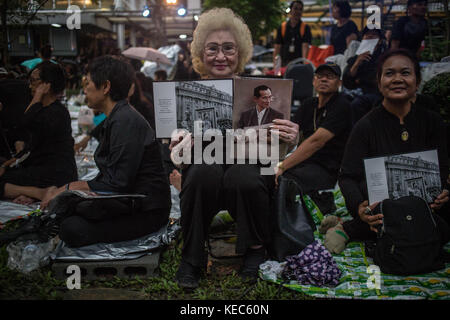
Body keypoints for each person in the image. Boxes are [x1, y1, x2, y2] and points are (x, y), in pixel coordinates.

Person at [170, 8, 299, 289]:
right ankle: (192, 257)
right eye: (212, 49)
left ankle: (255, 250)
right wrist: (177, 148)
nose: (220, 56)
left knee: (244, 176)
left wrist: (290, 138)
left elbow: (278, 148)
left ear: (240, 53)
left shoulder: (260, 92)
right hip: (206, 165)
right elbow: (177, 157)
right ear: (201, 55)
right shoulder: (186, 94)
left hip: (249, 168)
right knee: (202, 174)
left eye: (228, 48)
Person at [1, 56, 171, 248]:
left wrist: (66, 188)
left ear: (105, 87)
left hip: (147, 211)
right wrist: (67, 191)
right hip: (128, 201)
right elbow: (109, 176)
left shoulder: (126, 121)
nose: (84, 88)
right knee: (70, 209)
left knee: (72, 227)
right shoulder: (116, 117)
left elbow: (117, 183)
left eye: (87, 82)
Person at [322, 49, 449, 254]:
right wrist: (359, 208)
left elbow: (443, 165)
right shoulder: (365, 126)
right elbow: (347, 177)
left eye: (405, 73)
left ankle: (348, 225)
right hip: (383, 208)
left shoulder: (432, 121)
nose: (397, 79)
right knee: (383, 216)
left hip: (426, 207)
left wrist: (444, 190)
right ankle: (350, 227)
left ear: (417, 82)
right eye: (389, 73)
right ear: (379, 83)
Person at [0, 61, 77, 204]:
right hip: (45, 169)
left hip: (56, 174)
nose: (30, 86)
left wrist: (37, 96)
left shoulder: (56, 112)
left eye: (34, 81)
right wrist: (6, 165)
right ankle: (33, 193)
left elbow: (24, 124)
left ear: (46, 85)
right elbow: (30, 147)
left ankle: (39, 193)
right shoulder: (46, 110)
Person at [275, 62, 352, 196]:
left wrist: (281, 166)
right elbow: (289, 131)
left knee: (284, 181)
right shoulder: (309, 104)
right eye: (320, 76)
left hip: (328, 169)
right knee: (266, 174)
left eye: (330, 76)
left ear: (339, 83)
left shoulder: (342, 105)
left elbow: (316, 142)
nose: (323, 79)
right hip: (304, 163)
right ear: (313, 81)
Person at [343, 27, 387, 124]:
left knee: (357, 104)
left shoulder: (385, 57)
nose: (370, 36)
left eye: (374, 34)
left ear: (380, 41)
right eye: (367, 34)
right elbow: (347, 81)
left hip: (375, 94)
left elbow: (377, 80)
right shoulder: (355, 57)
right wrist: (357, 63)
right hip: (356, 92)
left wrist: (360, 80)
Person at [273, 1, 312, 67]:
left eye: (300, 9)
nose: (298, 11)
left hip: (299, 64)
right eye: (295, 8)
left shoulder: (305, 28)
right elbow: (277, 47)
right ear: (290, 10)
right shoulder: (282, 27)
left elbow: (305, 47)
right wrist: (275, 65)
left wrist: (304, 65)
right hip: (284, 64)